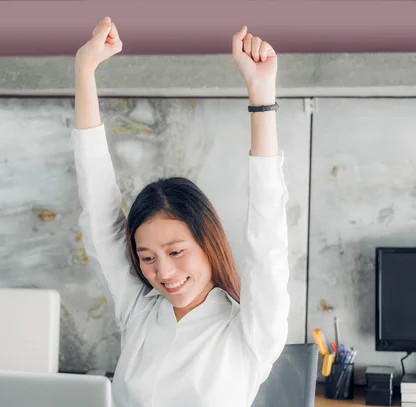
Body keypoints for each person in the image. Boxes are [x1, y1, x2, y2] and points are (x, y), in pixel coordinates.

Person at [72, 16, 290, 407]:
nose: (164, 273)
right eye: (148, 259)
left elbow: (268, 236)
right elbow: (99, 212)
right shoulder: (139, 312)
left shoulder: (250, 330)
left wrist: (262, 97)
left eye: (175, 252)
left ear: (208, 243)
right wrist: (84, 71)